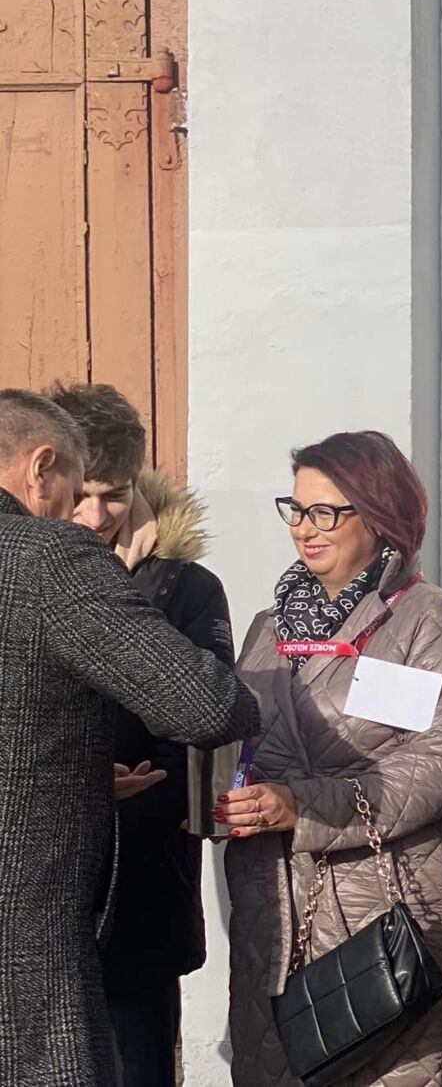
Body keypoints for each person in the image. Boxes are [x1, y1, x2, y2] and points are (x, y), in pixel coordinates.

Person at [0, 389, 259, 1086]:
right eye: (73, 496)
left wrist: (76, 773)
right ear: (42, 467)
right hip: (36, 940)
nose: (84, 518)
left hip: (138, 897)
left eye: (110, 496)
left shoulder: (186, 584)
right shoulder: (51, 557)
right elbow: (212, 706)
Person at [221, 431, 442, 1086]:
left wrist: (305, 805)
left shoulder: (426, 618)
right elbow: (240, 742)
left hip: (384, 895)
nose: (304, 528)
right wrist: (215, 793)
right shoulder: (268, 626)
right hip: (273, 906)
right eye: (296, 509)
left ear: (380, 513)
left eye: (326, 512)